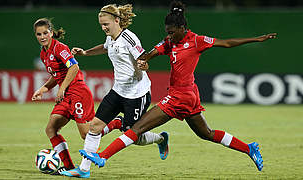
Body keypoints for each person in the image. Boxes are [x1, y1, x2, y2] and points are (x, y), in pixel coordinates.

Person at [82, 1, 277, 172]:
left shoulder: (197, 41)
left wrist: (255, 39)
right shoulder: (170, 41)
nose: (169, 36)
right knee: (206, 134)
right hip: (185, 95)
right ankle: (249, 148)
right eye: (167, 33)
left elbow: (226, 43)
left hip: (180, 97)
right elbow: (153, 52)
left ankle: (103, 156)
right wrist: (144, 60)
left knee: (137, 128)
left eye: (172, 32)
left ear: (183, 28)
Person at [61, 4, 169, 178]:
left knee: (133, 135)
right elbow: (105, 47)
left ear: (117, 20)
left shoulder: (129, 38)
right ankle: (83, 169)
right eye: (101, 25)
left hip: (136, 94)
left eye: (106, 24)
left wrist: (144, 64)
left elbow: (143, 58)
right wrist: (85, 53)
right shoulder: (111, 38)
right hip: (118, 91)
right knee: (94, 126)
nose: (104, 28)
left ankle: (161, 138)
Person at [32, 18, 96, 174]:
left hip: (77, 92)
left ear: (51, 33)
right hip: (66, 95)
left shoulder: (60, 48)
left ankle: (116, 123)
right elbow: (56, 75)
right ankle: (68, 167)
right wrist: (43, 88)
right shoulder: (44, 53)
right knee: (51, 129)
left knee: (86, 135)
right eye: (39, 34)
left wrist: (62, 89)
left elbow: (73, 67)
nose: (42, 37)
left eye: (45, 33)